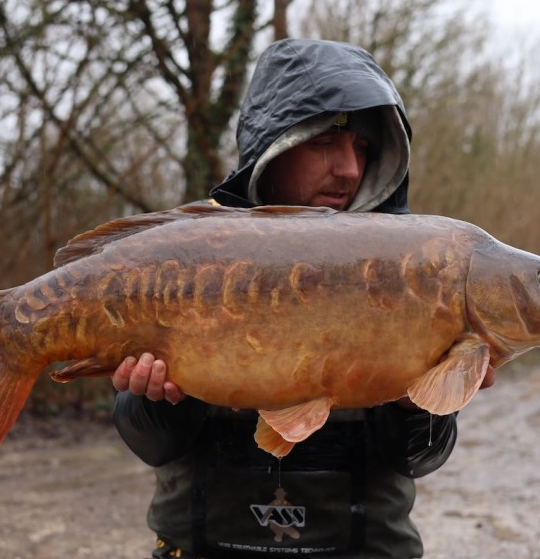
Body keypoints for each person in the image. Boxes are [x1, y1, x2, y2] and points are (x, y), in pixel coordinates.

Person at [111, 38, 494, 558]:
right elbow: (154, 445)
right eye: (324, 144)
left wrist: (417, 403)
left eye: (362, 148)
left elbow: (419, 459)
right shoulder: (189, 255)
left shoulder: (415, 271)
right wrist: (154, 400)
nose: (350, 169)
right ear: (274, 147)